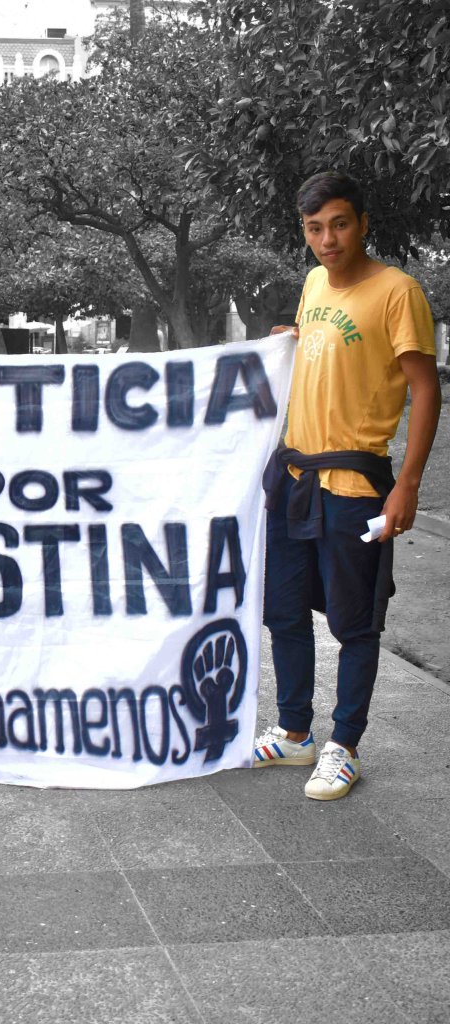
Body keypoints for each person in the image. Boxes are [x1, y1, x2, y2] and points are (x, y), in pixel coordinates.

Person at [255, 172, 441, 800]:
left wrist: (407, 485)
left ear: (362, 223)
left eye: (339, 224)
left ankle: (345, 745)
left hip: (356, 485)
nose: (327, 239)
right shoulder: (313, 283)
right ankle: (295, 732)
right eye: (315, 228)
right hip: (295, 478)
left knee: (354, 622)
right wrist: (294, 338)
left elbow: (425, 389)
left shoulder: (397, 291)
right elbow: (329, 349)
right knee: (283, 611)